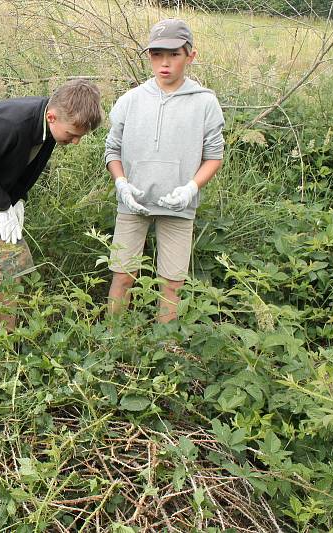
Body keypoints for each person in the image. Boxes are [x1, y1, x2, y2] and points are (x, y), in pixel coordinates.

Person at [0, 79, 103, 331]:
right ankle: (6, 338)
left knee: (9, 261)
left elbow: (25, 168)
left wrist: (18, 200)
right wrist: (2, 205)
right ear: (52, 116)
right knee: (13, 261)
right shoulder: (11, 124)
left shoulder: (48, 127)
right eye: (72, 134)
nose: (75, 142)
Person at [104, 19, 225, 323]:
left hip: (178, 206)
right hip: (134, 202)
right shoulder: (130, 100)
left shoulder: (205, 102)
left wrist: (190, 189)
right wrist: (121, 184)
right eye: (157, 55)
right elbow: (112, 150)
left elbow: (214, 156)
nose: (165, 63)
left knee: (171, 283)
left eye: (174, 54)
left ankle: (165, 347)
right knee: (122, 276)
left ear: (190, 56)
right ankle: (112, 340)